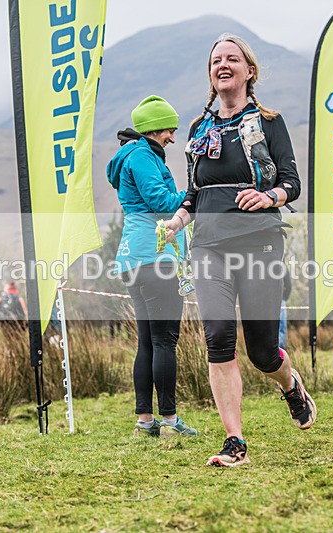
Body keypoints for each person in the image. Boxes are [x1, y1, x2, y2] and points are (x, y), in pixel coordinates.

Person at [162, 34, 316, 466]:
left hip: (259, 242)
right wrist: (178, 220)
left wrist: (269, 198)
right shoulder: (199, 129)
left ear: (250, 71)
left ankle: (290, 386)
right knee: (218, 338)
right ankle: (235, 442)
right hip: (209, 246)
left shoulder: (269, 121)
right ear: (210, 74)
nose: (223, 65)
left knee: (263, 351)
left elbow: (291, 182)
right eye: (216, 60)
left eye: (233, 59)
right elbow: (194, 192)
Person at [107, 95, 198, 439]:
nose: (172, 138)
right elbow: (162, 204)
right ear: (152, 129)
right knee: (164, 343)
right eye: (168, 131)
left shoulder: (130, 156)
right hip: (155, 257)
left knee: (147, 342)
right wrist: (194, 197)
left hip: (134, 258)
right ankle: (171, 423)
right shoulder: (143, 156)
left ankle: (145, 422)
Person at [279, 267, 292, 350]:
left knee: (281, 327)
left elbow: (288, 285)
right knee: (281, 327)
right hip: (279, 300)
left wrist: (283, 298)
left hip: (280, 301)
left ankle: (281, 351)